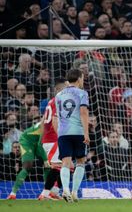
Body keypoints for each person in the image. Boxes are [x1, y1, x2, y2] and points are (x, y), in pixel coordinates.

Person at [55, 69, 89, 202]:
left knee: (65, 162)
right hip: (78, 131)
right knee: (80, 161)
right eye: (83, 78)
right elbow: (83, 112)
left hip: (63, 132)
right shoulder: (82, 93)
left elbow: (58, 116)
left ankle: (65, 190)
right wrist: (86, 133)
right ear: (79, 79)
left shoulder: (59, 95)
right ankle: (74, 192)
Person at [38, 79, 67, 200]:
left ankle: (54, 192)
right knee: (58, 167)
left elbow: (43, 119)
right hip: (53, 138)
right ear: (60, 90)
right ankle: (44, 194)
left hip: (48, 138)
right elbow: (55, 119)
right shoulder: (58, 100)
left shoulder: (51, 101)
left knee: (66, 166)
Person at [7, 122, 50, 200]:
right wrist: (45, 159)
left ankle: (46, 193)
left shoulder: (52, 124)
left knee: (48, 165)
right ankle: (13, 193)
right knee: (28, 166)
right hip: (26, 141)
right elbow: (40, 145)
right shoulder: (45, 126)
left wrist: (46, 160)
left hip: (36, 142)